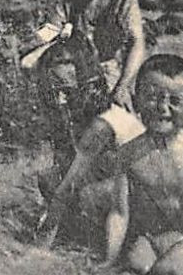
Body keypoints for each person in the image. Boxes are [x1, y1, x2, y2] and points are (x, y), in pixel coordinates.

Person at [23, 0, 146, 171]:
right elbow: (53, 28)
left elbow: (136, 41)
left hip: (111, 74)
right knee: (70, 146)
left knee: (124, 143)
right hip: (73, 74)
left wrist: (123, 86)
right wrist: (34, 44)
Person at [104, 54, 183, 275]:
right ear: (136, 100)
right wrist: (109, 260)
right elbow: (119, 213)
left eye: (174, 101)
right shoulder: (128, 153)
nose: (162, 108)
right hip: (148, 237)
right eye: (152, 97)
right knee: (134, 267)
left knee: (169, 272)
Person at [34, 102, 143, 249]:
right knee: (51, 177)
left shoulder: (102, 125)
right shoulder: (111, 116)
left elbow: (67, 186)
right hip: (135, 191)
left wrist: (41, 242)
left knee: (79, 191)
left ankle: (101, 241)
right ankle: (72, 230)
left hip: (138, 200)